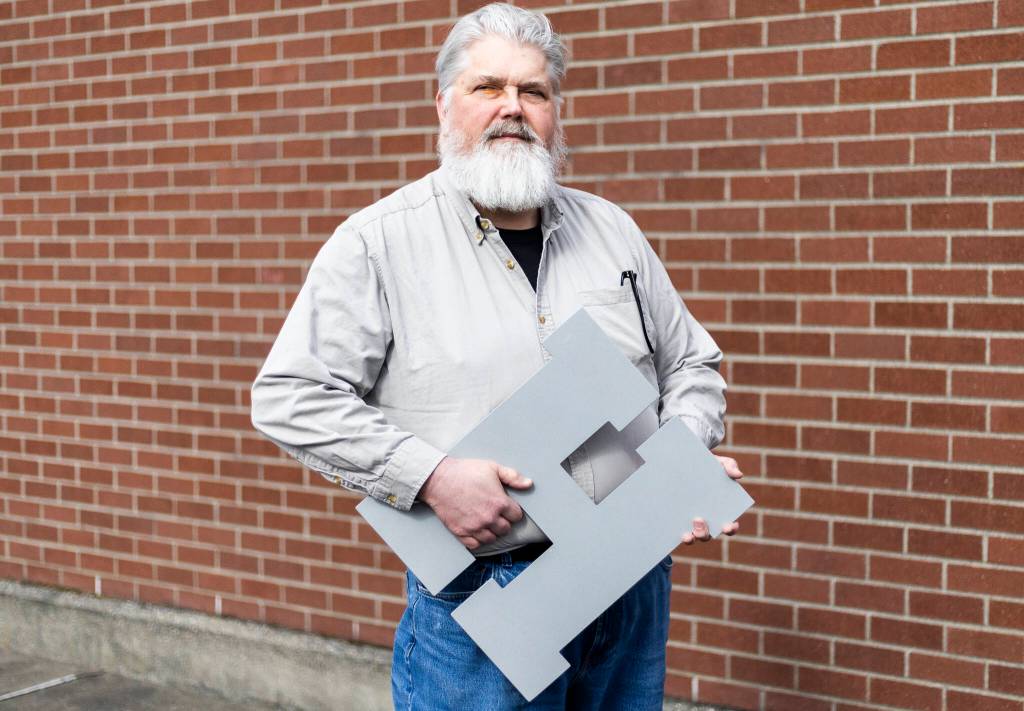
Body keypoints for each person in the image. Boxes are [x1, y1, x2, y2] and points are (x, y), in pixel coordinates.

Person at [251, 3, 742, 708]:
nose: (512, 108)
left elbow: (690, 364)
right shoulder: (378, 244)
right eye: (488, 88)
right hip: (483, 596)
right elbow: (288, 396)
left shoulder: (614, 232)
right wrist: (433, 476)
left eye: (534, 91)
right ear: (445, 104)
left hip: (626, 578)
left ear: (555, 112)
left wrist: (679, 454)